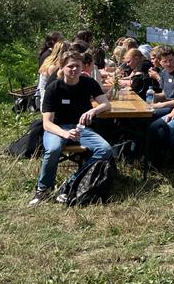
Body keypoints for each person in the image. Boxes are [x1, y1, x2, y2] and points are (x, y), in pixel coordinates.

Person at [29, 51, 113, 205]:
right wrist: (65, 133)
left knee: (106, 149)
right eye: (70, 66)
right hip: (57, 128)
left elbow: (106, 103)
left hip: (81, 129)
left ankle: (69, 185)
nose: (74, 70)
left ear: (82, 67)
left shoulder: (88, 83)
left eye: (77, 66)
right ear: (62, 67)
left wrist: (93, 110)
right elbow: (47, 123)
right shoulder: (54, 87)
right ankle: (43, 190)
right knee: (54, 149)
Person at [147, 47, 174, 163]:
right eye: (165, 61)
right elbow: (166, 93)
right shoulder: (163, 73)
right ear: (159, 62)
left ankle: (168, 157)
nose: (169, 63)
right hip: (168, 105)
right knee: (144, 118)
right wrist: (153, 97)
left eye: (171, 60)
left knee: (157, 126)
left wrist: (161, 105)